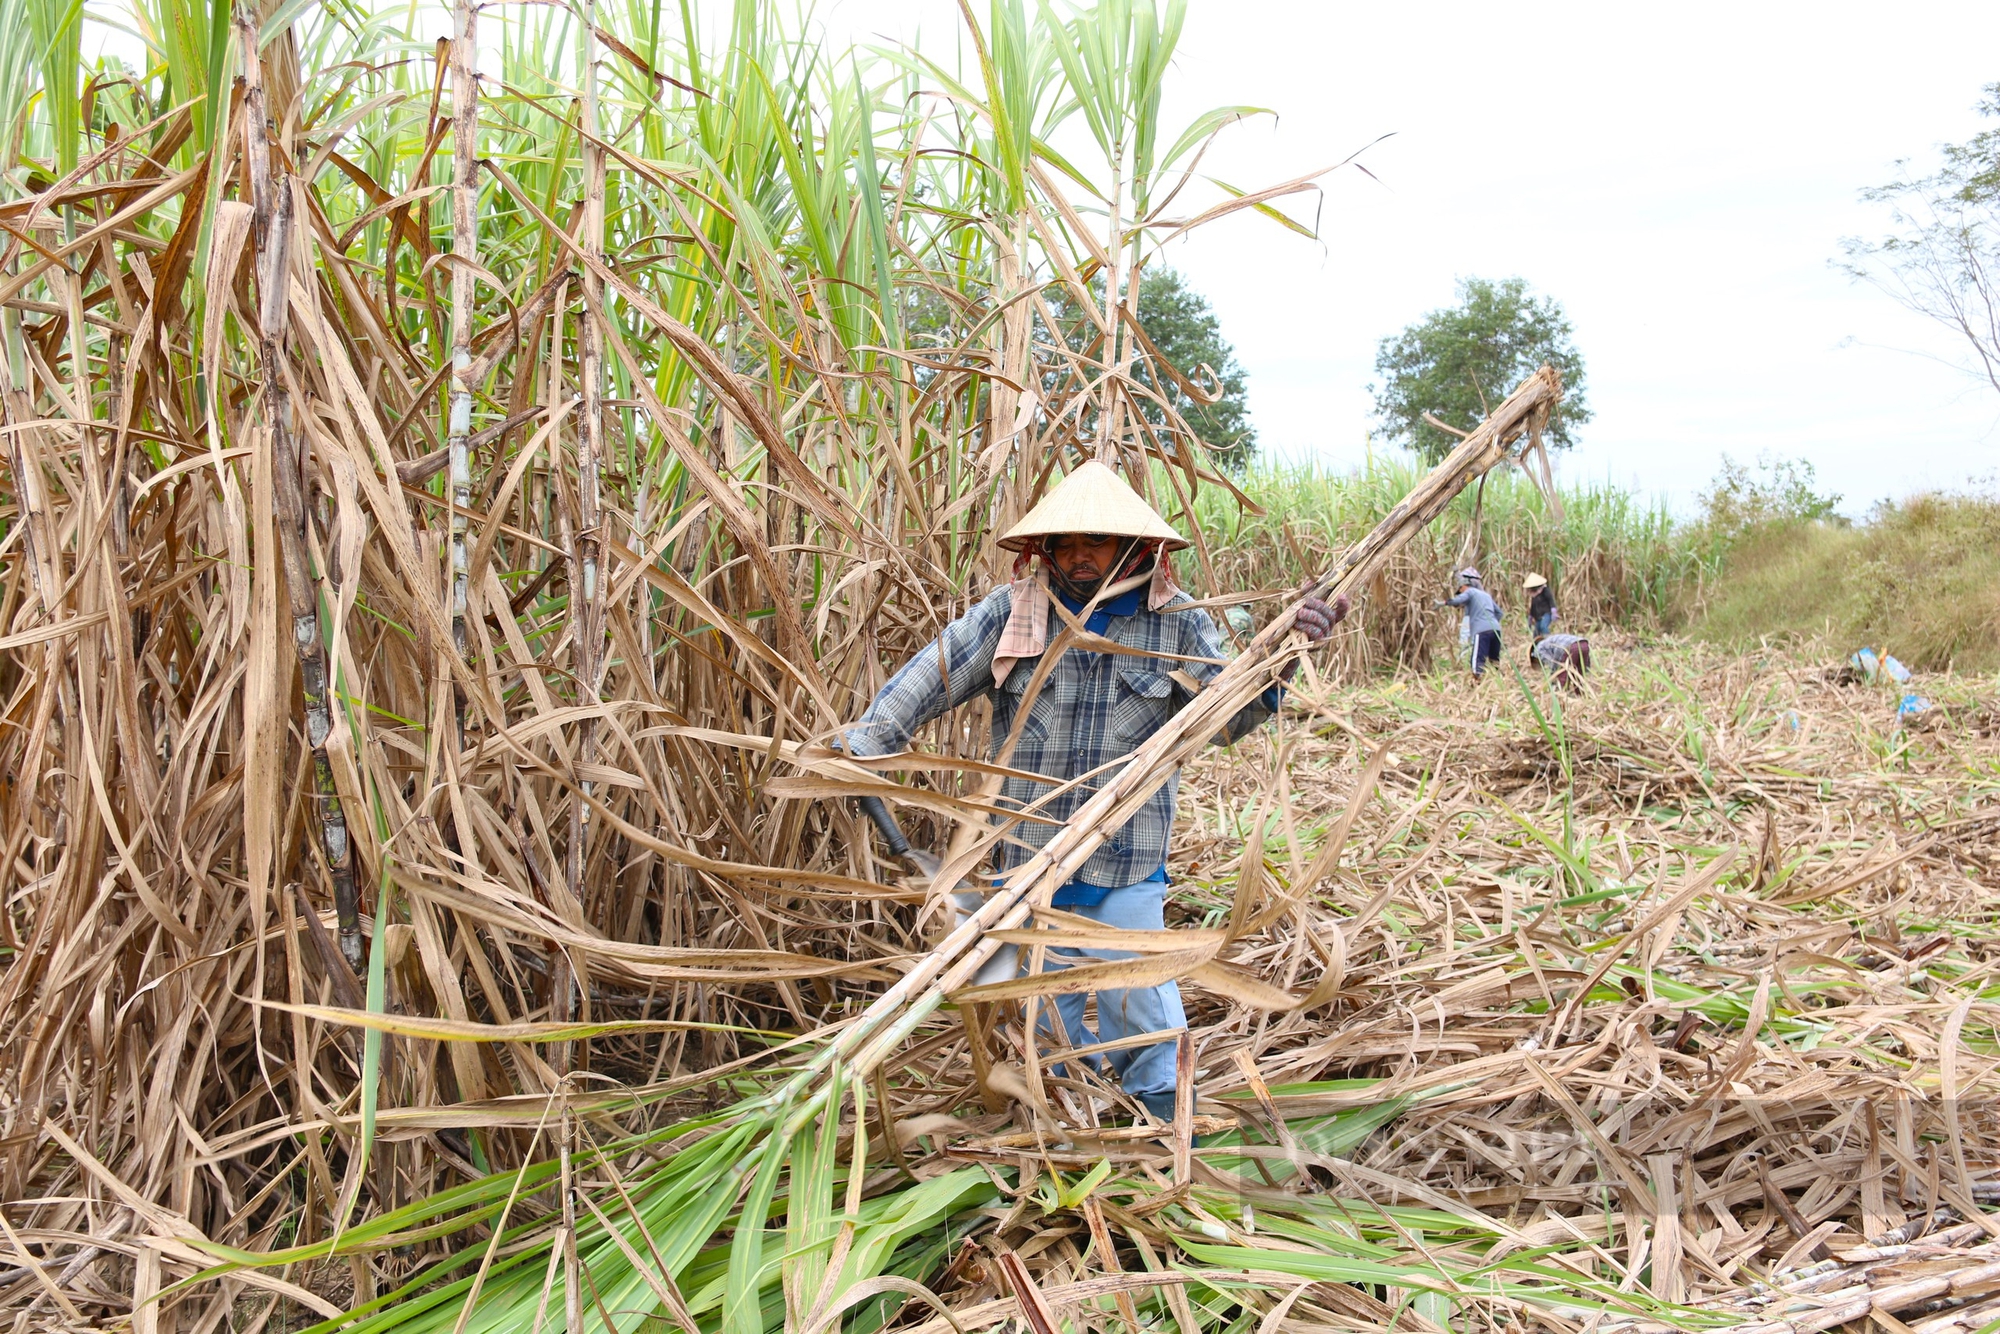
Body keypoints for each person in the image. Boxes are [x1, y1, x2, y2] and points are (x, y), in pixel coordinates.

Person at [842, 461, 1346, 1130]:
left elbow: (1227, 717)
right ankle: (1065, 1121)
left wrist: (1281, 657)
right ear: (1043, 550)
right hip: (1024, 855)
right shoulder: (1011, 616)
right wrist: (867, 743)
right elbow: (927, 680)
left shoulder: (1178, 626)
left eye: (1097, 543)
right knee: (1040, 1017)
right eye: (1067, 544)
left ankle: (1164, 1119)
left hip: (1126, 853)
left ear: (1137, 549)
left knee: (1140, 999)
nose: (1080, 557)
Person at [1440, 567, 1502, 677]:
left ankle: (1477, 682)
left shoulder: (1470, 591)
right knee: (1494, 660)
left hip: (1480, 630)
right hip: (1495, 629)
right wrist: (1490, 622)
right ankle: (1497, 682)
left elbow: (1458, 600)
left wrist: (1444, 603)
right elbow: (1499, 613)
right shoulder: (1486, 595)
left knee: (1477, 659)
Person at [1525, 573, 1556, 639]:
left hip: (1546, 613)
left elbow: (1551, 600)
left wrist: (1554, 611)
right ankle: (1536, 647)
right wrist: (1530, 617)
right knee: (1536, 632)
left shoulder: (1545, 590)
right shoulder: (1534, 595)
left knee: (1543, 626)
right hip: (1538, 616)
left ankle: (1549, 640)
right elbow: (1533, 607)